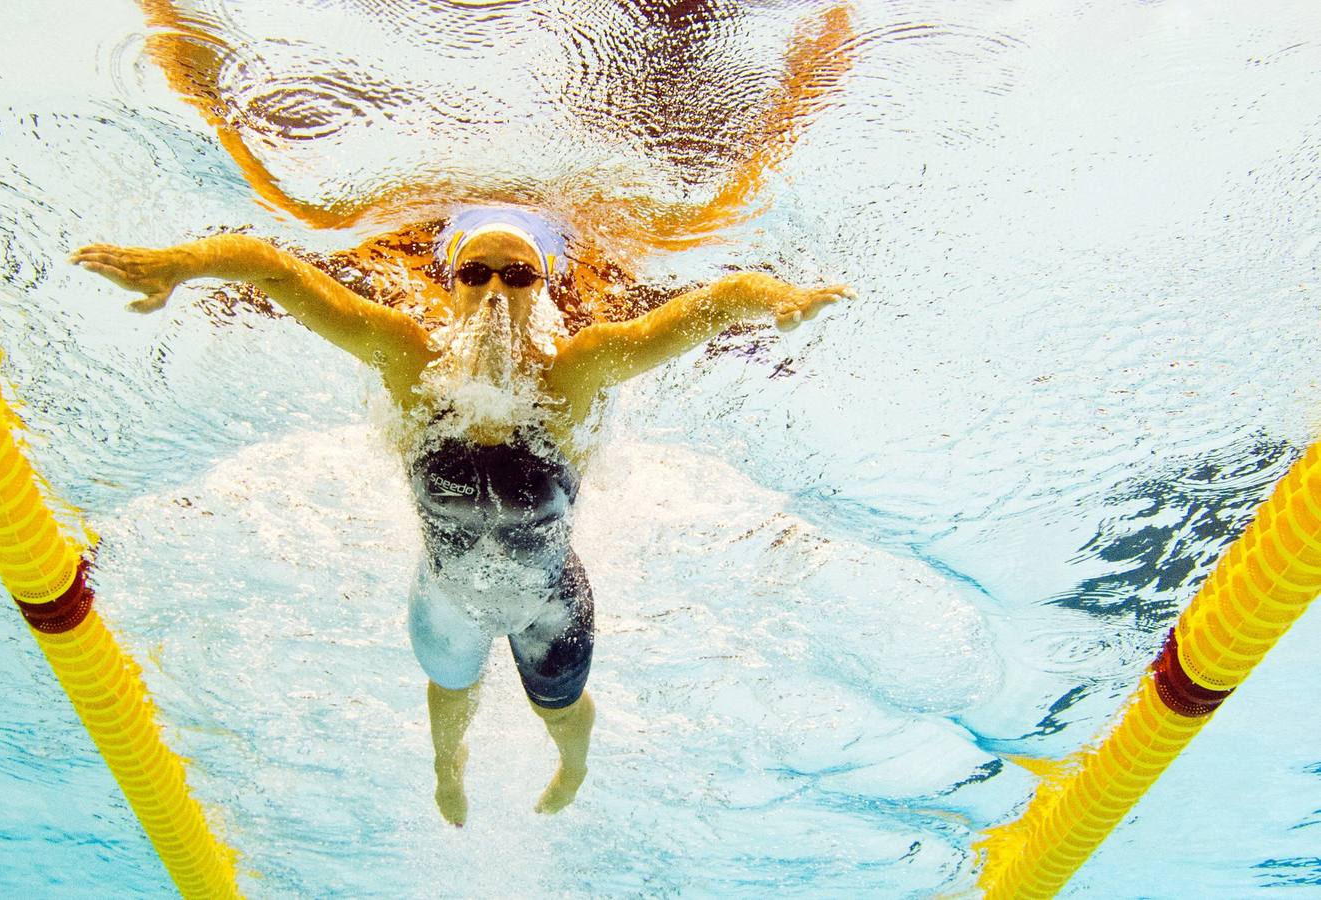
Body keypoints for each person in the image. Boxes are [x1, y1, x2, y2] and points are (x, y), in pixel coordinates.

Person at [69, 208, 849, 824]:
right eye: (477, 273)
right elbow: (279, 273)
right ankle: (449, 764)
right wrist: (180, 266)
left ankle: (570, 763)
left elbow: (703, 310)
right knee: (450, 691)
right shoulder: (407, 359)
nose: (498, 293)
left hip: (550, 603)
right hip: (444, 598)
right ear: (451, 284)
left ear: (541, 290)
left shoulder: (578, 372)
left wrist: (773, 303)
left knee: (564, 706)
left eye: (520, 276)